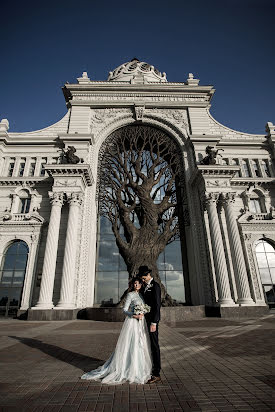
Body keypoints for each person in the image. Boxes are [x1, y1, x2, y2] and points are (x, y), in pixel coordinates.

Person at [80, 277, 152, 384]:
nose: (136, 285)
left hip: (141, 323)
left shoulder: (142, 295)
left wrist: (143, 313)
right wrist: (133, 315)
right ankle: (127, 367)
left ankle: (139, 367)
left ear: (141, 285)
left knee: (140, 343)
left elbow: (145, 308)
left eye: (138, 283)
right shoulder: (130, 295)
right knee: (131, 342)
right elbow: (124, 309)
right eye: (135, 283)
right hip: (132, 322)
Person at [138, 265, 161, 384]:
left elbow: (157, 306)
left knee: (154, 345)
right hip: (144, 320)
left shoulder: (155, 286)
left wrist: (154, 322)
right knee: (145, 344)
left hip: (152, 321)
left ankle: (156, 373)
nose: (142, 280)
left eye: (143, 278)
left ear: (148, 275)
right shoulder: (144, 287)